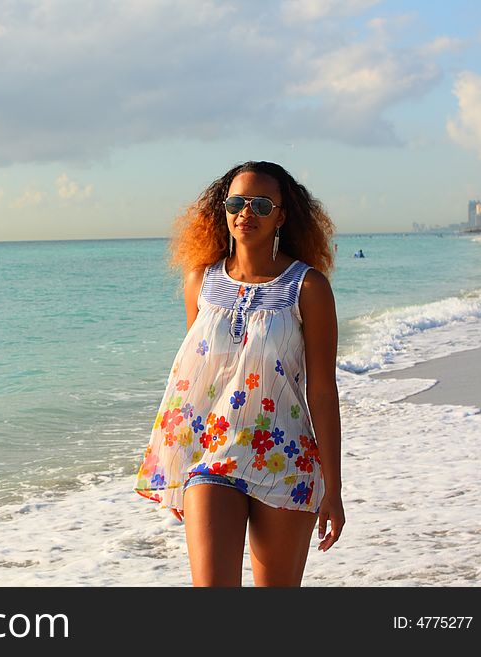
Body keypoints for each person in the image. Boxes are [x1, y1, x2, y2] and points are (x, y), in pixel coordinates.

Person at [134, 161, 345, 587]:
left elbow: (322, 391)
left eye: (261, 204)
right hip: (211, 456)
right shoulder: (201, 281)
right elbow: (198, 381)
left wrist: (334, 489)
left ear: (282, 216)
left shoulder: (308, 287)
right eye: (236, 202)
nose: (246, 212)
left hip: (283, 454)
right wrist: (177, 464)